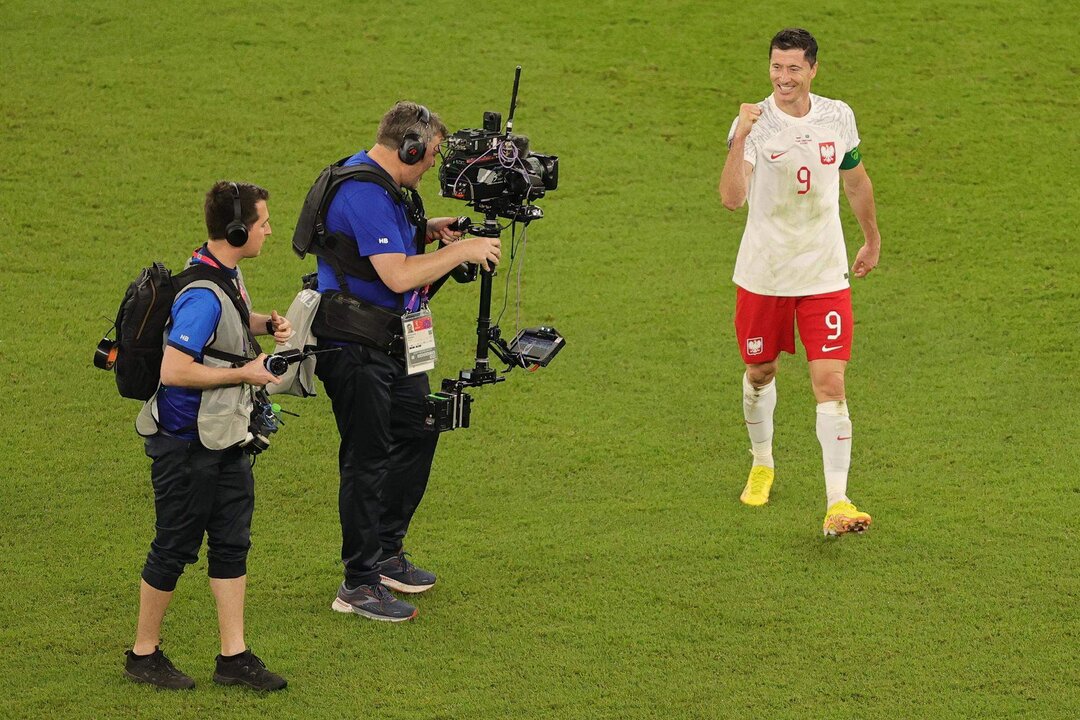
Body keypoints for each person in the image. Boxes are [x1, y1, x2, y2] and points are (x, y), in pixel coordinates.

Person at [313, 101, 501, 621]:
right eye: (432, 155)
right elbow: (395, 276)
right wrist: (463, 252)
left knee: (420, 430)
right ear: (409, 148)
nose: (434, 167)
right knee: (367, 458)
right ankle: (357, 583)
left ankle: (386, 553)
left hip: (393, 342)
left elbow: (383, 252)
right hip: (356, 348)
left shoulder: (387, 187)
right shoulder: (362, 193)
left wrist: (430, 231)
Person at [125, 181, 292, 690]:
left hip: (223, 439)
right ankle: (142, 654)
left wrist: (263, 323)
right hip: (185, 444)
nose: (269, 230)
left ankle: (234, 658)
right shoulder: (202, 294)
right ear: (239, 230)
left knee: (231, 544)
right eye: (263, 223)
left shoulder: (225, 272)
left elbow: (228, 329)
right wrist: (248, 373)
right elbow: (175, 370)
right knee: (174, 546)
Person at [718, 28, 882, 536]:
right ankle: (762, 461)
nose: (783, 78)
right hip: (764, 274)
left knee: (831, 384)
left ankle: (838, 501)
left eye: (793, 68)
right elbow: (731, 199)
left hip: (823, 272)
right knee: (761, 370)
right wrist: (741, 136)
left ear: (813, 69)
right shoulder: (756, 124)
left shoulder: (838, 115)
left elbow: (855, 181)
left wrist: (871, 239)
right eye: (775, 67)